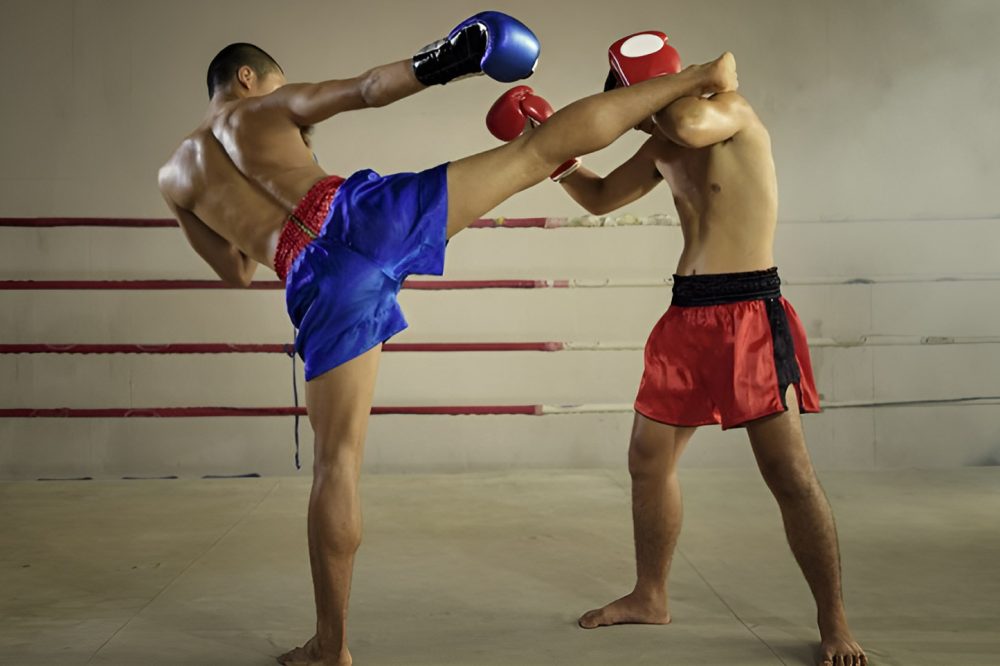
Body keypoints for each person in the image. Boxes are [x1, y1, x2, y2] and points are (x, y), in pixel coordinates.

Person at [157, 13, 738, 666]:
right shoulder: (261, 109)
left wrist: (250, 219)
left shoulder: (174, 178)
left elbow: (236, 272)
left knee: (335, 465)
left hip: (314, 278)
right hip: (359, 213)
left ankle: (330, 646)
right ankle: (697, 75)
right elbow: (368, 89)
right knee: (534, 154)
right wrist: (452, 59)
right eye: (274, 82)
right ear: (247, 77)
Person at [490, 30, 865, 666]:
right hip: (687, 316)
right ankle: (650, 594)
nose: (631, 118)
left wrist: (671, 86)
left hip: (748, 311)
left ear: (652, 91)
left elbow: (688, 122)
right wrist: (553, 151)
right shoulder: (663, 143)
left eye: (630, 101)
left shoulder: (726, 113)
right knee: (647, 458)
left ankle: (835, 621)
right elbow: (602, 198)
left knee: (788, 472)